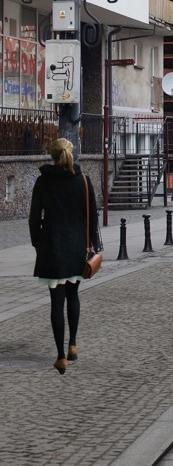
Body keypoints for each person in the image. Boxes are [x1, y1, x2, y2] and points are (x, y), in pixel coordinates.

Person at [28, 137, 101, 374]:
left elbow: (33, 217)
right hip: (76, 247)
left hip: (52, 248)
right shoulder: (83, 181)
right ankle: (73, 345)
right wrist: (95, 245)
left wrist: (37, 243)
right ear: (71, 154)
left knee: (56, 303)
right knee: (74, 295)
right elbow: (92, 217)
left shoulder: (43, 182)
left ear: (52, 155)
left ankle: (60, 356)